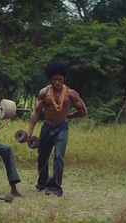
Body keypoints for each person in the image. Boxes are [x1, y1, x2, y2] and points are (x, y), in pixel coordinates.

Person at [27, 61, 87, 197]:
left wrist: (68, 116)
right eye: (54, 80)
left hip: (62, 128)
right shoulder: (44, 93)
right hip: (47, 127)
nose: (57, 82)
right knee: (43, 156)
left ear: (63, 79)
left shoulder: (71, 93)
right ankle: (42, 183)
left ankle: (54, 188)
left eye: (60, 79)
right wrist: (30, 131)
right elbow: (36, 112)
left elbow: (83, 111)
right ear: (50, 80)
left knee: (59, 157)